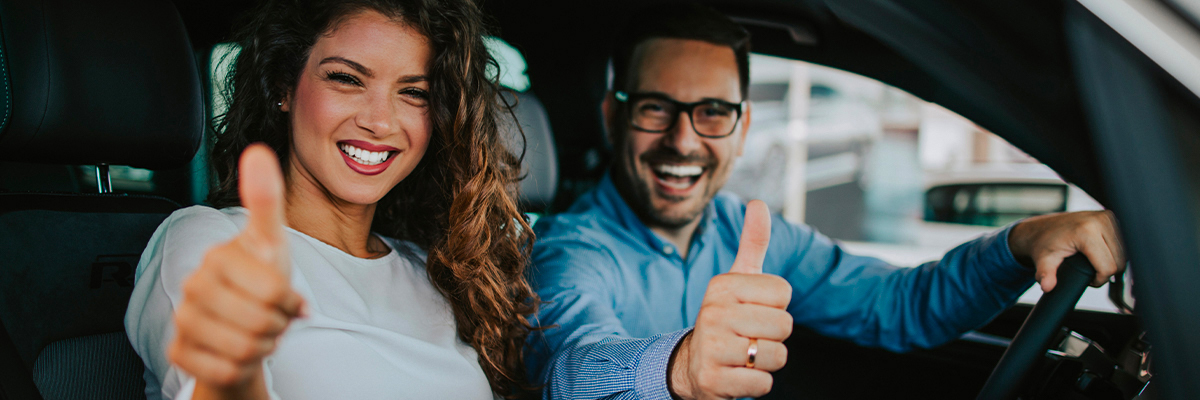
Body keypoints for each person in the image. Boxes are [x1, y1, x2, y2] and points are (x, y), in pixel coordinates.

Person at [525, 4, 1127, 400]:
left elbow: (902, 305)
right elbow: (566, 366)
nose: (683, 140)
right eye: (657, 108)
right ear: (615, 117)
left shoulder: (753, 234)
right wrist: (679, 366)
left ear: (741, 126)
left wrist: (1020, 243)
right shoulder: (568, 251)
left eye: (712, 112)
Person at [124, 1, 537, 399]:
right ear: (283, 87)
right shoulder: (210, 244)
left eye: (414, 92)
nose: (379, 121)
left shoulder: (436, 270)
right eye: (347, 79)